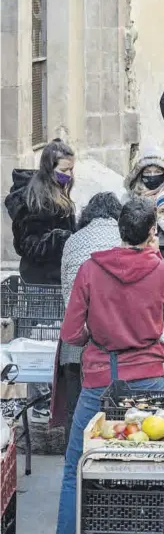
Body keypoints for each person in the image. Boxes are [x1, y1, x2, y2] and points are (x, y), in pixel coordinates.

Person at [52, 199, 164, 534]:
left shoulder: (91, 269)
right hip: (148, 378)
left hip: (99, 379)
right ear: (150, 232)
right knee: (157, 467)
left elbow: (72, 333)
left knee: (77, 469)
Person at [5, 139, 76, 423]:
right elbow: (29, 245)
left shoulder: (59, 192)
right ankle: (41, 401)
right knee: (40, 342)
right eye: (64, 169)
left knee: (53, 339)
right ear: (49, 167)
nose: (69, 175)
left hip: (56, 278)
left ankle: (51, 398)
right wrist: (61, 239)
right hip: (41, 280)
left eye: (72, 169)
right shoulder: (35, 200)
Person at [51, 193, 123, 447]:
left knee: (76, 404)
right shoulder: (124, 239)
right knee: (114, 405)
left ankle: (75, 452)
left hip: (76, 338)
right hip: (115, 338)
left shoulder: (73, 240)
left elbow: (65, 290)